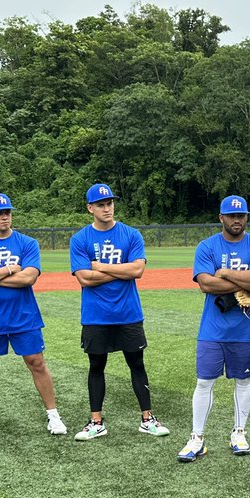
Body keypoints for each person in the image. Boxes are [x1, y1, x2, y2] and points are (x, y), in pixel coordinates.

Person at [0, 192, 67, 441]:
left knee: (36, 363)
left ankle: (53, 415)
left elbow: (29, 278)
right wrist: (8, 270)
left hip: (24, 315)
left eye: (7, 211)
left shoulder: (27, 243)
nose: (4, 216)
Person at [69, 183, 168, 441]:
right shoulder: (80, 239)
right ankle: (95, 421)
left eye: (110, 203)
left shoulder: (131, 234)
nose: (107, 208)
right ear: (90, 208)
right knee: (96, 365)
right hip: (96, 315)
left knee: (137, 364)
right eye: (101, 204)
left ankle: (147, 418)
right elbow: (84, 279)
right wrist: (120, 270)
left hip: (128, 313)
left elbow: (137, 271)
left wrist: (99, 266)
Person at [177, 195, 250, 462]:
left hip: (246, 329)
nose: (237, 220)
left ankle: (239, 433)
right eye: (231, 216)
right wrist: (247, 282)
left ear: (246, 218)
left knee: (243, 381)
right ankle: (197, 438)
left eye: (241, 215)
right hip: (213, 328)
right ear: (221, 218)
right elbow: (206, 284)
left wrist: (225, 273)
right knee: (204, 381)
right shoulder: (207, 246)